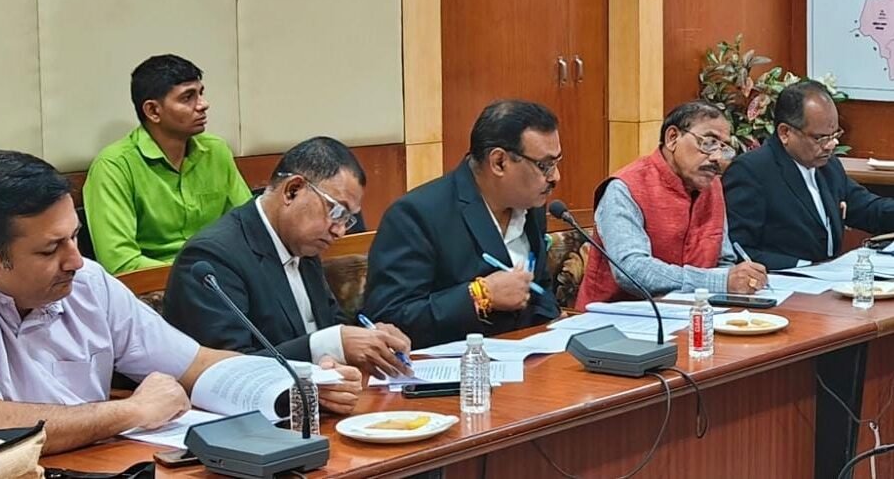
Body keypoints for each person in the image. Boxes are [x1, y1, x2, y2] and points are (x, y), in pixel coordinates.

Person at [0, 150, 361, 455]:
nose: (75, 261)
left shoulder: (86, 281)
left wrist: (300, 380)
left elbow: (194, 363)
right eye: (51, 248)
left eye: (74, 237)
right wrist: (131, 411)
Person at [164, 137, 413, 379]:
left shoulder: (304, 245)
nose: (340, 231)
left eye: (347, 219)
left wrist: (369, 337)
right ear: (293, 191)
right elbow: (228, 372)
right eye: (336, 211)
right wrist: (331, 343)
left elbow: (329, 325)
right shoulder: (212, 257)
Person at [363, 100, 561, 349]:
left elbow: (540, 289)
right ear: (499, 162)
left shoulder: (531, 207)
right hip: (452, 364)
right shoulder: (417, 215)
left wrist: (556, 325)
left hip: (529, 358)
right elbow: (390, 318)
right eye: (545, 166)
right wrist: (480, 295)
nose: (555, 177)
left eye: (557, 163)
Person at [576, 100, 768, 308]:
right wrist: (718, 282)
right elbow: (632, 270)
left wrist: (740, 279)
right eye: (709, 143)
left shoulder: (712, 186)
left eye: (724, 148)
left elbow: (724, 261)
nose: (717, 157)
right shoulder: (624, 188)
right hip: (618, 317)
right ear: (672, 138)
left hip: (697, 312)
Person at [84, 54, 252, 275]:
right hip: (156, 285)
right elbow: (121, 263)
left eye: (201, 93)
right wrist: (195, 275)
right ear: (153, 111)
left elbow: (250, 228)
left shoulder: (216, 151)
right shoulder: (114, 166)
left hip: (222, 275)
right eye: (187, 97)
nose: (203, 105)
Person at [724, 80, 894, 269]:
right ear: (785, 133)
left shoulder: (828, 167)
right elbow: (741, 250)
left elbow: (869, 210)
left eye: (835, 135)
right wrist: (808, 267)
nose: (831, 145)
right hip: (783, 280)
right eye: (820, 138)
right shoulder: (751, 171)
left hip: (828, 278)